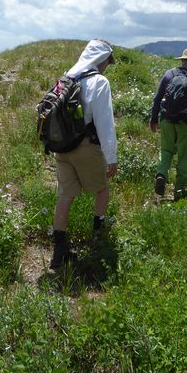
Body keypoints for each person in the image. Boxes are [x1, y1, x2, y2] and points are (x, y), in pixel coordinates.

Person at [50, 39, 117, 271]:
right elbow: (105, 123)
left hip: (62, 147)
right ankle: (98, 237)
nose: (107, 65)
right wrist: (112, 157)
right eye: (108, 61)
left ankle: (59, 252)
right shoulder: (99, 82)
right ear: (101, 59)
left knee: (65, 195)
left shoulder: (67, 77)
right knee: (102, 188)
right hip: (86, 146)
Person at [150, 48, 187, 199]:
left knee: (166, 150)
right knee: (184, 156)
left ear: (182, 60)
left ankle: (161, 175)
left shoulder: (169, 74)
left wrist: (153, 119)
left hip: (166, 119)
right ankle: (179, 191)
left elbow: (157, 98)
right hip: (186, 123)